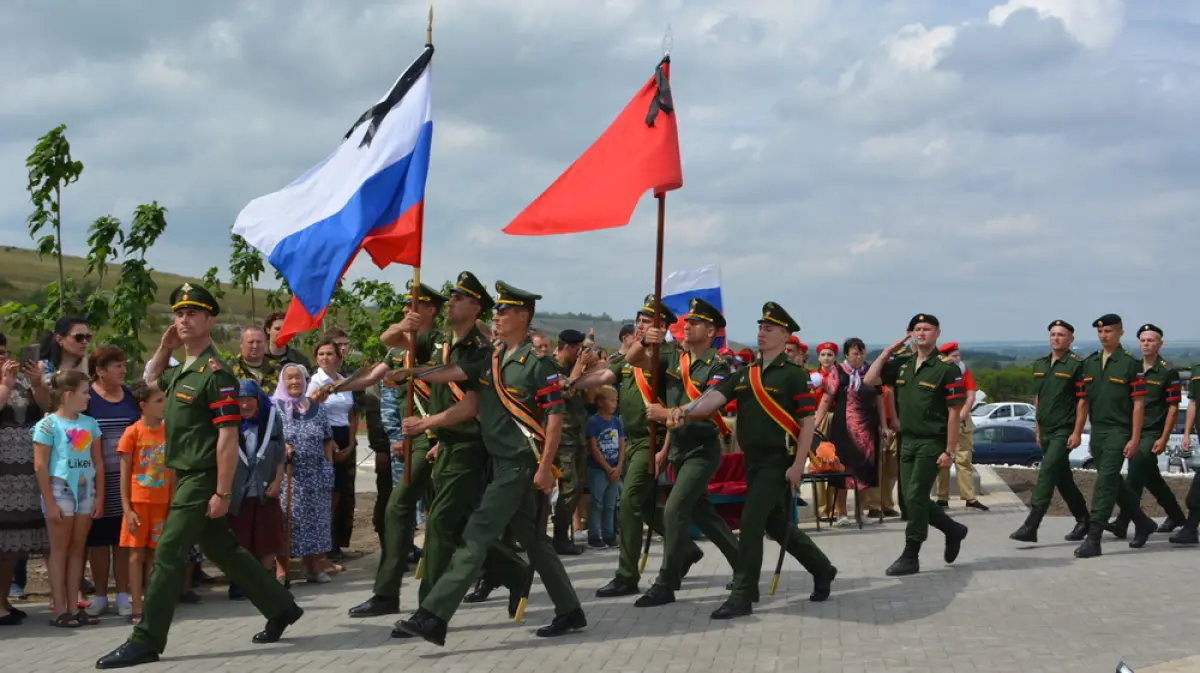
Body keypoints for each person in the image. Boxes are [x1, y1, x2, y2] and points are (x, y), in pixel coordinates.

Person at [96, 283, 302, 669]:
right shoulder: (185, 369)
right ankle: (281, 606)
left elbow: (227, 437)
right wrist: (165, 346)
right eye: (179, 313)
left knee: (169, 552)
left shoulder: (216, 373)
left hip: (202, 477)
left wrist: (222, 492)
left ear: (210, 320)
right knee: (223, 549)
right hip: (183, 474)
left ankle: (146, 639)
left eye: (192, 313)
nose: (183, 319)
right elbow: (151, 379)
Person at [391, 281, 585, 646]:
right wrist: (411, 373)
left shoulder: (537, 364)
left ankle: (433, 616)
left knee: (477, 533)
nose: (496, 316)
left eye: (504, 310)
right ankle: (570, 610)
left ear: (523, 316)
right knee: (534, 541)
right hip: (498, 462)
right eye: (496, 310)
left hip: (519, 464)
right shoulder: (492, 358)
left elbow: (555, 418)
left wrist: (545, 467)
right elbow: (457, 377)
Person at [653, 302, 837, 619]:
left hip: (778, 461)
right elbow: (711, 400)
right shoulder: (745, 374)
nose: (761, 333)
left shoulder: (794, 376)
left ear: (784, 335)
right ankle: (822, 568)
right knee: (777, 524)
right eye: (760, 328)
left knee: (751, 522)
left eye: (769, 329)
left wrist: (798, 465)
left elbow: (807, 422)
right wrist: (679, 412)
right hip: (753, 460)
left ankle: (743, 594)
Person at [566, 294, 707, 598]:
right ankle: (685, 548)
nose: (642, 325)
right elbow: (605, 374)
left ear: (663, 327)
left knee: (628, 503)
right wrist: (573, 383)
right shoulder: (629, 356)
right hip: (629, 439)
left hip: (651, 440)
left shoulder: (669, 357)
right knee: (642, 506)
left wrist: (664, 450)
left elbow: (673, 406)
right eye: (640, 320)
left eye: (649, 321)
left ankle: (626, 575)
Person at [623, 297, 741, 608]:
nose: (686, 326)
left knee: (675, 510)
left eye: (695, 322)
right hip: (678, 447)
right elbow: (634, 360)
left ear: (711, 330)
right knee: (705, 515)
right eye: (685, 322)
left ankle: (666, 583)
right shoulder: (674, 358)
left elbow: (706, 405)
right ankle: (745, 565)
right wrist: (645, 342)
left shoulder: (720, 365)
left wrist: (668, 413)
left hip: (702, 448)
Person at [863, 313, 969, 576]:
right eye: (917, 329)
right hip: (906, 440)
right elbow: (869, 379)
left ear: (937, 333)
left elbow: (954, 412)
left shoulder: (946, 367)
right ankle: (953, 529)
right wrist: (889, 350)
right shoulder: (902, 364)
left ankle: (911, 554)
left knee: (914, 496)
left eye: (927, 329)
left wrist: (949, 450)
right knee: (911, 501)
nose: (922, 333)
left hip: (932, 441)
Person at [1071, 314, 1160, 559]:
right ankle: (1143, 522)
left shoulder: (1130, 364)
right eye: (1100, 332)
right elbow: (1083, 402)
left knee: (1106, 482)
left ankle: (1094, 537)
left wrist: (1134, 438)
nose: (1103, 335)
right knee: (1114, 483)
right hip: (1098, 432)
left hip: (1119, 431)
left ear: (1120, 332)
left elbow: (1139, 404)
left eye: (1109, 331)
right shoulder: (1089, 363)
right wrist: (1079, 432)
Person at [1009, 320, 1090, 543]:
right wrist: (1037, 427)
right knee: (1062, 478)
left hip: (1063, 430)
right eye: (1053, 334)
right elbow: (1039, 398)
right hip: (1045, 429)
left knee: (1046, 472)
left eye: (1061, 335)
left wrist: (1077, 432)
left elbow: (1083, 402)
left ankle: (1032, 524)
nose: (1056, 338)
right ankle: (1084, 520)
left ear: (1070, 339)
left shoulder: (1077, 365)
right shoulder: (1040, 365)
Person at [33, 369, 103, 627]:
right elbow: (40, 466)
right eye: (85, 393)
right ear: (68, 394)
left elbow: (98, 463)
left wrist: (99, 497)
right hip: (59, 489)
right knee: (59, 550)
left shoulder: (90, 424)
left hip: (85, 491)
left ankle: (75, 607)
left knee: (77, 549)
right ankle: (59, 609)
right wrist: (49, 503)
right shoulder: (48, 425)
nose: (88, 398)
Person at [1103, 324, 1187, 538]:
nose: (1146, 344)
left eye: (1151, 340)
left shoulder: (1168, 371)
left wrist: (1164, 437)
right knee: (1151, 477)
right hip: (1131, 430)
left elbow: (1173, 408)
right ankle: (1176, 516)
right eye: (1143, 340)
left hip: (1151, 433)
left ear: (1160, 343)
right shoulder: (1133, 367)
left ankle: (1123, 521)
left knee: (1135, 474)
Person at [86, 345, 140, 618]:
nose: (123, 370)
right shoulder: (87, 399)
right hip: (95, 481)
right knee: (97, 540)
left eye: (123, 365)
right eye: (117, 366)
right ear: (99, 370)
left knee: (122, 539)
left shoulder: (130, 396)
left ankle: (122, 594)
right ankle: (99, 595)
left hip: (127, 481)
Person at [0, 333, 50, 626]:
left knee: (13, 546)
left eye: (5, 351)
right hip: (3, 478)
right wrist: (5, 385)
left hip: (25, 476)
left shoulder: (20, 382)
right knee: (2, 544)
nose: (3, 357)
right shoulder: (7, 384)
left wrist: (36, 383)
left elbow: (47, 409)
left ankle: (4, 600)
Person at [275, 363, 335, 582]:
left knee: (316, 521)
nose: (294, 382)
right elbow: (272, 439)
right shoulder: (275, 409)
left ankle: (313, 567)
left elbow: (328, 440)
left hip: (317, 473)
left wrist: (329, 468)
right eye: (289, 378)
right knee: (287, 521)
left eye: (298, 378)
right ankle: (282, 569)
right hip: (289, 476)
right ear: (283, 382)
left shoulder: (317, 408)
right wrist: (282, 447)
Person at [226, 380, 285, 600]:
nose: (244, 405)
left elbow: (279, 452)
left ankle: (264, 581)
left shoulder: (271, 418)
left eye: (249, 399)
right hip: (238, 491)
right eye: (240, 400)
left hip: (264, 488)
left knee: (267, 538)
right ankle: (239, 582)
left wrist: (278, 481)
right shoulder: (228, 422)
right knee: (240, 539)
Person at [117, 383, 171, 624]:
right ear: (143, 406)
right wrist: (127, 508)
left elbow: (173, 468)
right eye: (159, 401)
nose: (164, 405)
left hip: (162, 501)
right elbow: (125, 472)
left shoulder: (168, 431)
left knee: (156, 554)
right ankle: (136, 605)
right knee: (135, 554)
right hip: (139, 502)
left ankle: (153, 602)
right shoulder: (132, 433)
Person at [816, 338, 884, 527]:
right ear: (846, 355)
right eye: (855, 353)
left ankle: (860, 513)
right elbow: (826, 399)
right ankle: (842, 513)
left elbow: (879, 399)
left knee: (864, 470)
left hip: (867, 429)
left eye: (862, 352)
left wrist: (884, 425)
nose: (859, 356)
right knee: (842, 470)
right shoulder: (837, 372)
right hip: (843, 428)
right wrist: (816, 423)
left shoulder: (871, 371)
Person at [308, 337, 357, 563]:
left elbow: (351, 413)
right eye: (321, 354)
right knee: (324, 494)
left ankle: (331, 542)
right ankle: (319, 546)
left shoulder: (345, 381)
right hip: (323, 439)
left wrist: (352, 441)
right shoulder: (314, 382)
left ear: (338, 357)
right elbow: (313, 412)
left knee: (338, 493)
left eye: (329, 353)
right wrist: (332, 444)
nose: (325, 358)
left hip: (344, 435)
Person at [552, 328, 596, 555]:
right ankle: (559, 536)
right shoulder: (552, 367)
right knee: (568, 487)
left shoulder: (574, 369)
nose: (582, 353)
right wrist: (579, 367)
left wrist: (588, 368)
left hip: (578, 435)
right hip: (562, 437)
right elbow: (565, 391)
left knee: (577, 487)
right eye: (579, 349)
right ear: (568, 347)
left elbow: (589, 397)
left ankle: (564, 536)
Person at [933, 343, 988, 512]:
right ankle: (942, 498)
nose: (957, 359)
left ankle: (969, 498)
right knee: (943, 461)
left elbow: (970, 395)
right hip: (943, 422)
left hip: (962, 422)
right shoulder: (939, 372)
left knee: (964, 461)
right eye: (954, 355)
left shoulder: (964, 371)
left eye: (958, 355)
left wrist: (961, 414)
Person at [586, 386, 624, 548]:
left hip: (615, 469)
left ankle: (609, 534)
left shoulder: (617, 421)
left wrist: (618, 467)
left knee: (611, 504)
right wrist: (608, 468)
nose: (615, 403)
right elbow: (594, 448)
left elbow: (622, 444)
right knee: (596, 502)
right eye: (611, 400)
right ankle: (594, 535)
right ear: (600, 402)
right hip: (598, 470)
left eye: (616, 400)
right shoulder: (594, 422)